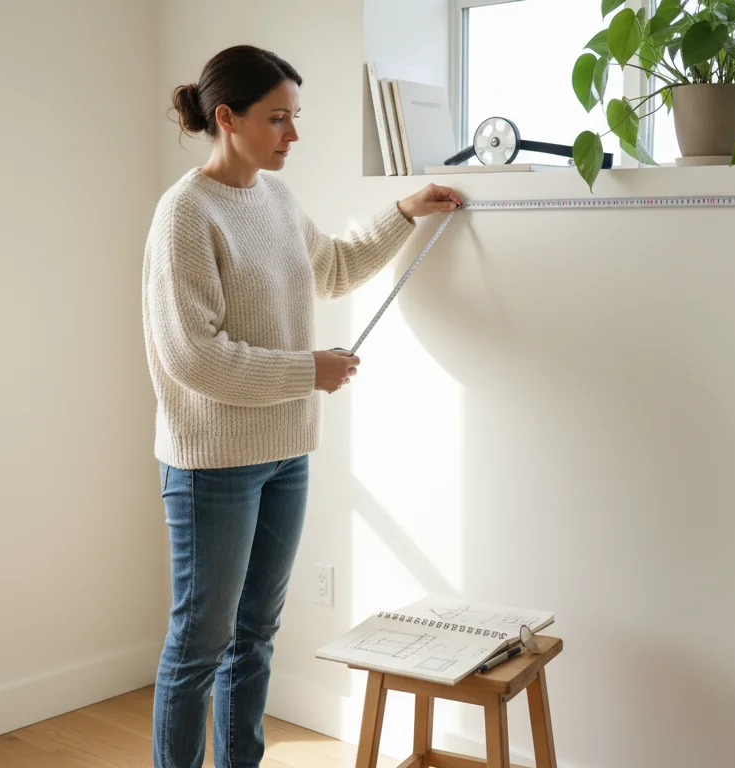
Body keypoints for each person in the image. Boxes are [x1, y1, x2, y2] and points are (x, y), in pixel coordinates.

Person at [142, 44, 462, 767]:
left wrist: (404, 211)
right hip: (214, 465)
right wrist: (306, 370)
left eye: (295, 117)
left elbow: (335, 267)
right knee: (200, 644)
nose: (293, 135)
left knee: (255, 635)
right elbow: (194, 356)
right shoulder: (184, 215)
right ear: (226, 118)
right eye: (277, 118)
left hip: (286, 453)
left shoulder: (275, 198)